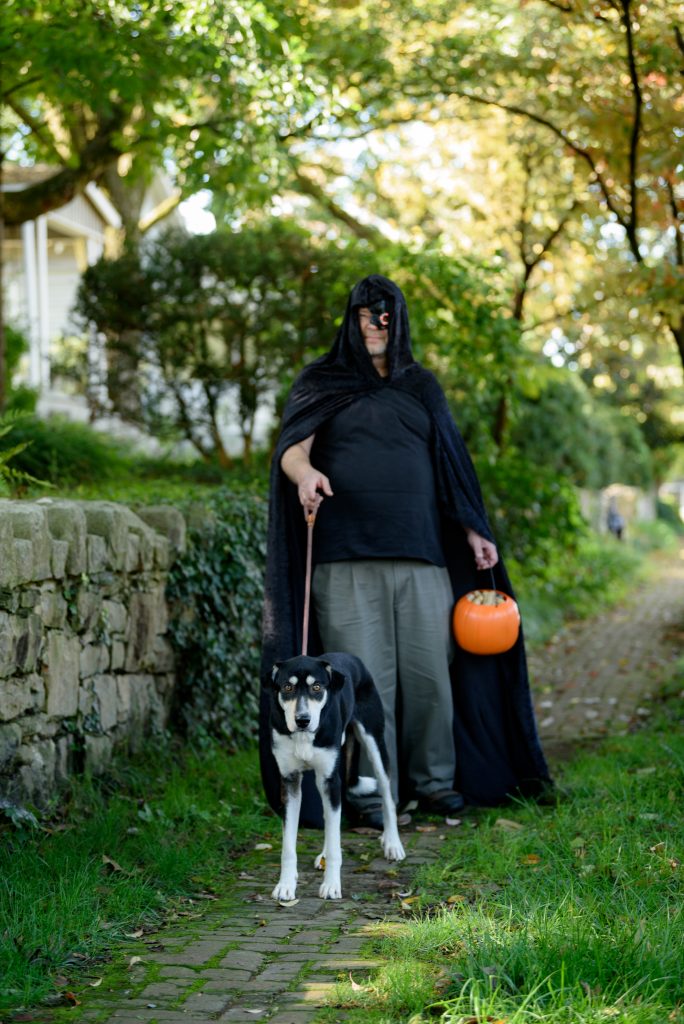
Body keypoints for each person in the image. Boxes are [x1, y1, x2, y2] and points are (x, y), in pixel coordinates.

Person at [259, 274, 550, 829]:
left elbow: (451, 472)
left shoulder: (422, 387)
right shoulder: (321, 381)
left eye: (385, 316)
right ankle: (373, 792)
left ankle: (436, 784)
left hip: (424, 557)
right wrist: (305, 474)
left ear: (400, 322)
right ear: (351, 319)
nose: (375, 325)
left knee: (430, 680)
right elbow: (292, 451)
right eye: (366, 315)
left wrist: (473, 529)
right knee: (369, 686)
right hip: (344, 559)